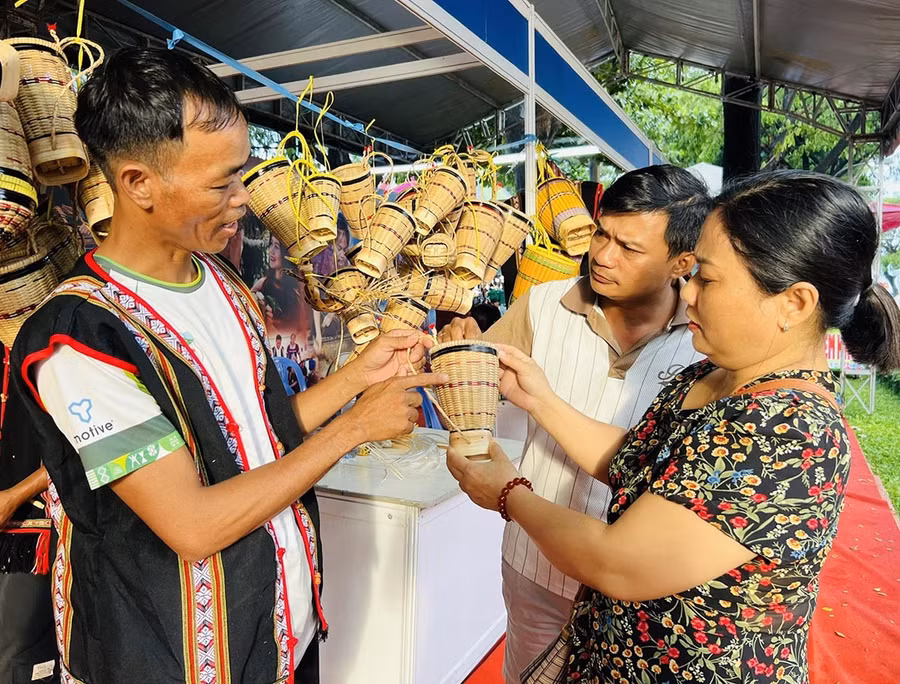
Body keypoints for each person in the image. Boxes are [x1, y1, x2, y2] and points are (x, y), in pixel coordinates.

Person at [10, 47, 446, 684]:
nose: (243, 200)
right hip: (168, 653)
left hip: (275, 630)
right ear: (137, 184)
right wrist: (354, 430)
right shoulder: (79, 340)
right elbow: (190, 524)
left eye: (243, 174)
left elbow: (257, 432)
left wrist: (358, 379)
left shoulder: (221, 281)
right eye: (221, 182)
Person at [447, 170, 900, 683]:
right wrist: (541, 398)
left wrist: (509, 494)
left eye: (707, 278)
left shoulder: (792, 431)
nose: (688, 295)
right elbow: (635, 460)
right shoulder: (715, 372)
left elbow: (619, 562)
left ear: (793, 303)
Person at [440, 165, 712, 681]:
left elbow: (660, 468)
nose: (603, 256)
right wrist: (459, 345)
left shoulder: (704, 343)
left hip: (637, 589)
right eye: (600, 234)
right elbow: (470, 380)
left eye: (629, 247)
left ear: (683, 260)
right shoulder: (543, 304)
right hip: (536, 565)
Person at [0, 343, 56, 684]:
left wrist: (12, 497)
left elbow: (81, 448)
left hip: (24, 540)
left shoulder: (41, 359)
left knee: (16, 659)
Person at [252, 233, 311, 337]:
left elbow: (304, 325)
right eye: (271, 244)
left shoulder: (298, 287)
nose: (271, 251)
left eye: (277, 247)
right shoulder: (262, 284)